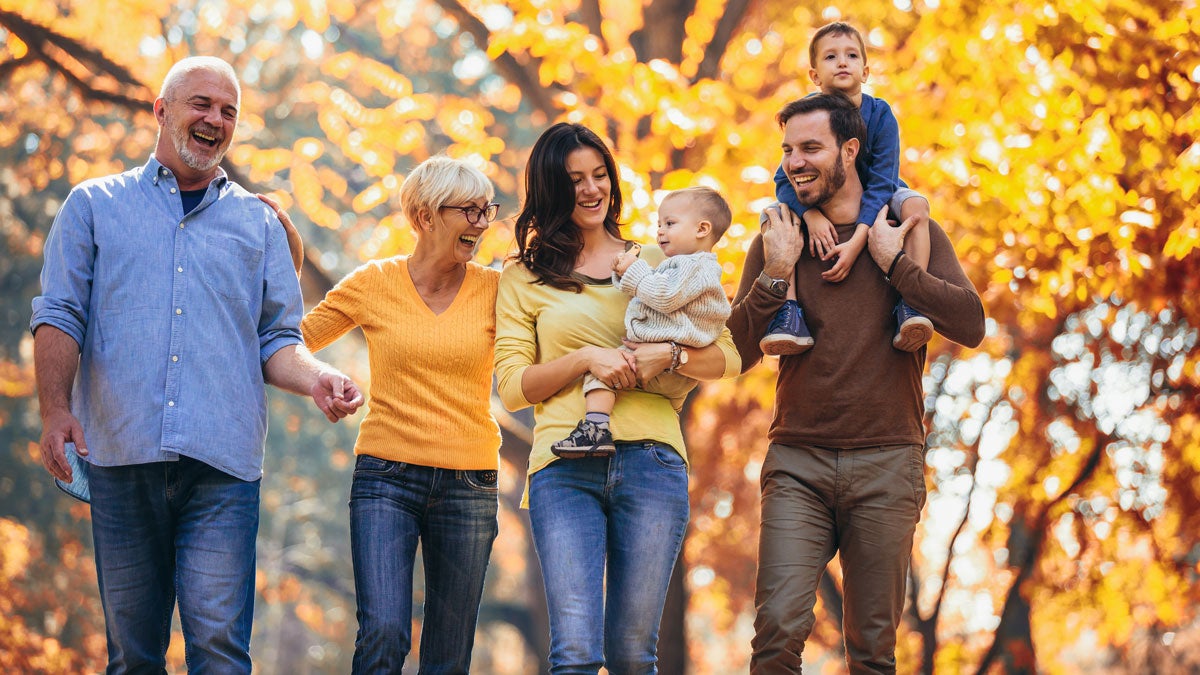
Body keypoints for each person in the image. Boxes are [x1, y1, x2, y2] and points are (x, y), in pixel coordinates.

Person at [30, 56, 364, 673]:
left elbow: (277, 340)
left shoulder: (258, 222)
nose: (215, 119)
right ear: (162, 111)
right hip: (121, 455)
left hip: (223, 468)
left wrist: (319, 378)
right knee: (133, 657)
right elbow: (59, 315)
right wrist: (56, 411)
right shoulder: (93, 206)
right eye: (201, 104)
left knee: (219, 653)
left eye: (229, 111)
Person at [728, 92, 985, 673]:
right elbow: (734, 353)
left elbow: (970, 325)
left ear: (850, 149)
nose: (795, 161)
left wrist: (898, 266)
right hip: (798, 459)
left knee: (872, 650)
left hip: (887, 459)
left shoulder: (909, 227)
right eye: (788, 149)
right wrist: (773, 273)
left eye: (811, 148)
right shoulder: (779, 237)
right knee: (776, 635)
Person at [494, 123, 741, 673]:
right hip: (563, 462)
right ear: (549, 190)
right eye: (574, 179)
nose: (590, 189)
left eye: (599, 175)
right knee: (575, 653)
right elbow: (512, 387)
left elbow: (728, 357)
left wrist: (670, 358)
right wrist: (586, 359)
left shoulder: (662, 258)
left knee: (633, 654)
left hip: (652, 460)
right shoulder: (523, 276)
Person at [295, 156, 502, 672]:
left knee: (448, 657)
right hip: (387, 476)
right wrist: (325, 380)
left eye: (485, 211)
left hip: (470, 484)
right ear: (426, 216)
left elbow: (549, 345)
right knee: (385, 633)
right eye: (468, 211)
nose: (480, 223)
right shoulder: (375, 283)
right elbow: (293, 339)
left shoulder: (498, 291)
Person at [761, 21, 934, 356]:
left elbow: (884, 179)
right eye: (830, 57)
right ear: (814, 75)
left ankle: (912, 302)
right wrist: (809, 214)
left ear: (865, 71)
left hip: (879, 195)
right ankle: (789, 313)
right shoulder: (807, 115)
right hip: (821, 199)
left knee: (916, 208)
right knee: (772, 217)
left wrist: (859, 237)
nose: (842, 62)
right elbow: (784, 179)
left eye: (851, 55)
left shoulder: (880, 114)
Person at [551, 186, 733, 457]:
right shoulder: (682, 266)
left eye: (670, 223)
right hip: (667, 360)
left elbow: (664, 296)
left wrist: (633, 270)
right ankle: (596, 429)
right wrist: (624, 271)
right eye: (659, 224)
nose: (660, 231)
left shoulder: (695, 267)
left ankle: (595, 428)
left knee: (602, 372)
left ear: (702, 229)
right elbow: (654, 287)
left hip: (666, 363)